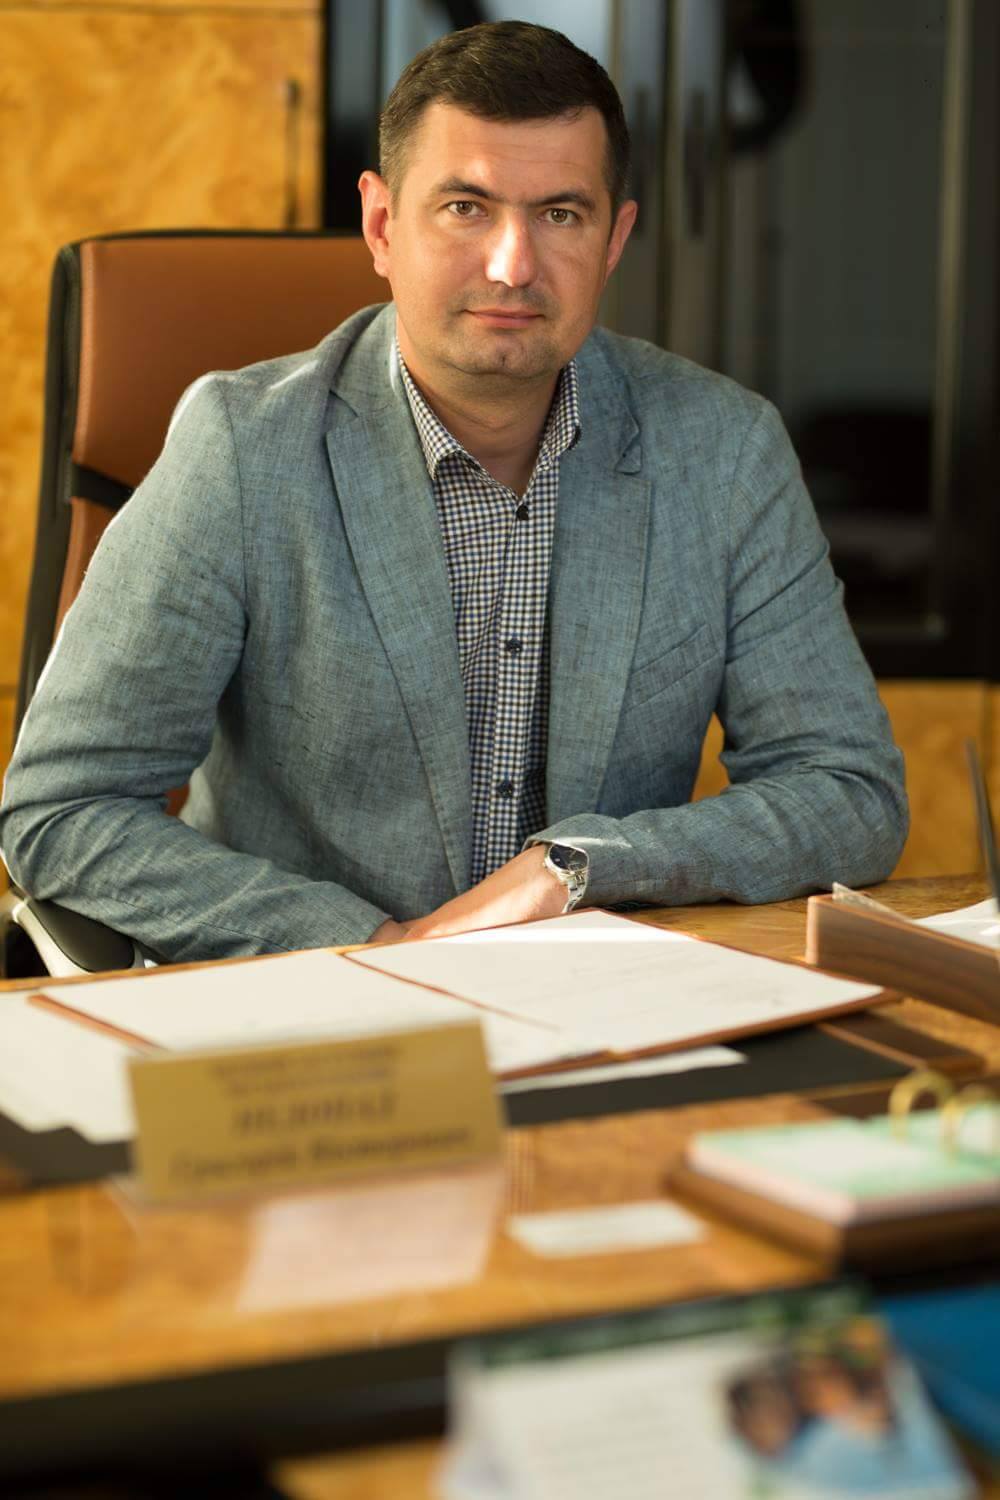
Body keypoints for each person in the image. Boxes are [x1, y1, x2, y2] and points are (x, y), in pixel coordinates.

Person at [0, 22, 907, 963]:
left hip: (597, 1000)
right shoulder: (242, 448)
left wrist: (579, 866)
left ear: (615, 238)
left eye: (562, 215)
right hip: (306, 1003)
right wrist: (373, 945)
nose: (513, 265)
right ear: (382, 225)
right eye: (466, 207)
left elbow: (849, 792)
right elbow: (63, 810)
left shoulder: (723, 450)